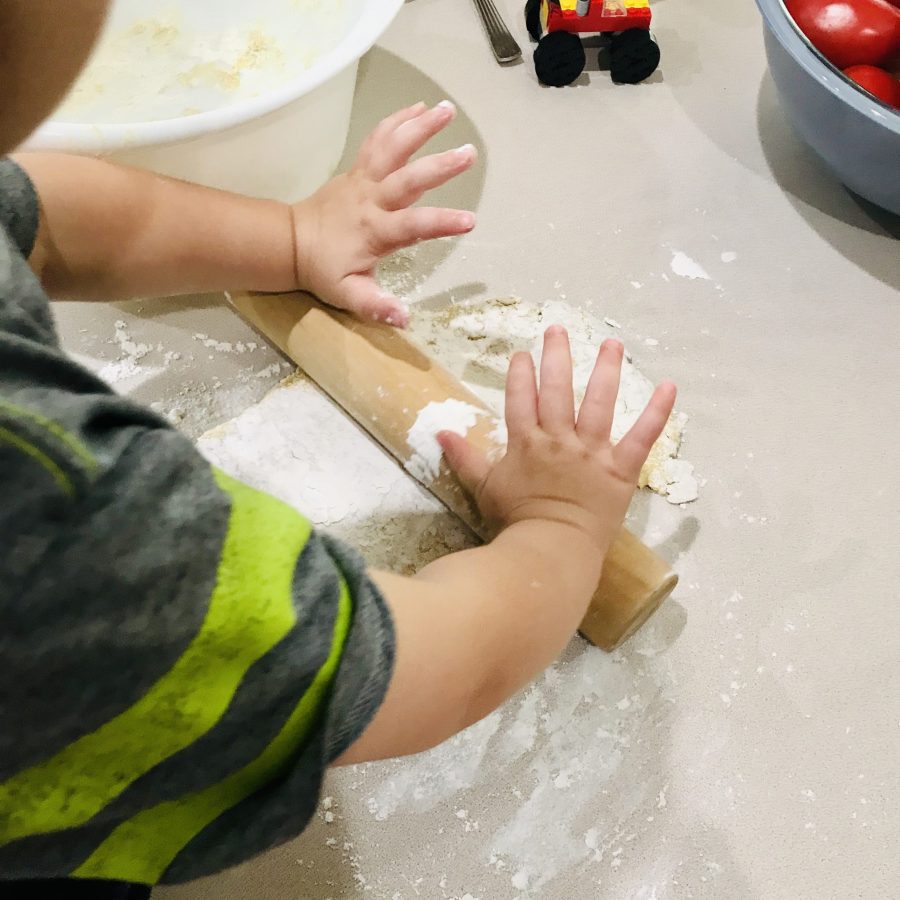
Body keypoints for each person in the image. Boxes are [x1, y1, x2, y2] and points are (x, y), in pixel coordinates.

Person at [0, 2, 677, 898]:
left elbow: (44, 219)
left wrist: (287, 239)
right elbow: (418, 671)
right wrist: (559, 526)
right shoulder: (66, 529)